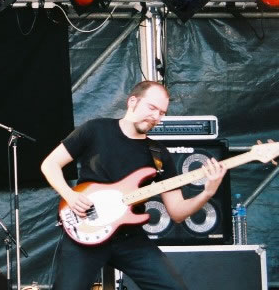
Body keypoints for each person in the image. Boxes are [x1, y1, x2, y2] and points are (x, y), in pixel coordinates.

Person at [40, 81, 226, 290]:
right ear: (132, 101)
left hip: (129, 238)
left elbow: (177, 212)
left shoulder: (159, 154)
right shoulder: (95, 129)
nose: (156, 117)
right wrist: (70, 195)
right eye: (152, 108)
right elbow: (50, 164)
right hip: (86, 230)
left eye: (162, 113)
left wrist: (207, 192)